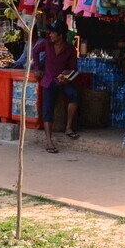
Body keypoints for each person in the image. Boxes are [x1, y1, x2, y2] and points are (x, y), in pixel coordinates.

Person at [32, 21, 80, 153]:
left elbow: (74, 69)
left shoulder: (70, 49)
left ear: (60, 35)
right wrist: (37, 68)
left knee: (74, 96)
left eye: (53, 33)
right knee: (48, 109)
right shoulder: (46, 44)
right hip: (48, 80)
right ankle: (49, 141)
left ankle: (68, 127)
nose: (50, 35)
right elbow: (35, 52)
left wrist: (67, 76)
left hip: (62, 81)